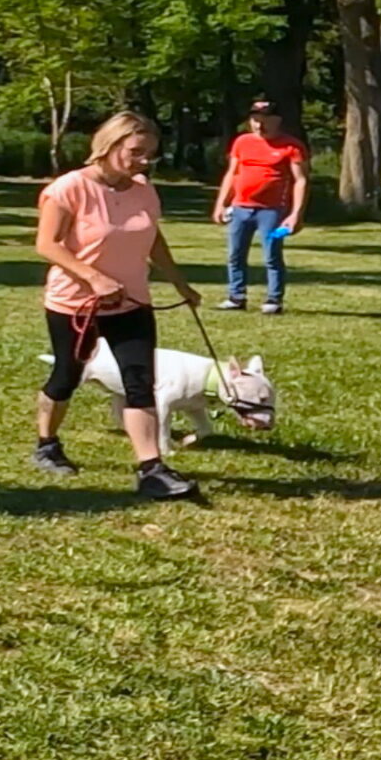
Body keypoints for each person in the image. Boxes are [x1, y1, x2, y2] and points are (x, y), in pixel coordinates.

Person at [32, 111, 203, 501]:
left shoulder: (143, 189)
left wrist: (179, 281)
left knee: (140, 382)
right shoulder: (69, 188)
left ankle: (151, 469)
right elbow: (47, 245)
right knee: (67, 376)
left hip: (132, 301)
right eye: (136, 152)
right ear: (108, 146)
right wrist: (93, 277)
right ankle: (47, 444)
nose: (144, 161)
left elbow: (152, 239)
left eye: (150, 154)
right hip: (76, 303)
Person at [211, 99, 309, 314]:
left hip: (272, 211)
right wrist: (221, 204)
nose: (259, 125)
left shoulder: (291, 146)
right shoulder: (242, 142)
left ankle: (274, 299)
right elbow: (232, 173)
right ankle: (236, 296)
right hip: (240, 208)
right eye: (255, 120)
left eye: (265, 120)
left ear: (277, 121)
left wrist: (295, 214)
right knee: (235, 254)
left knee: (271, 255)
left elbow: (300, 180)